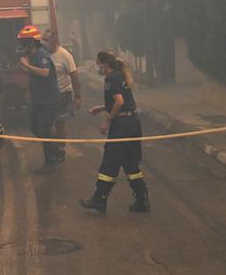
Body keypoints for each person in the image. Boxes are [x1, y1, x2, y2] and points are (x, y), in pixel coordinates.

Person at [80, 51, 150, 213]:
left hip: (122, 126)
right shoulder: (120, 76)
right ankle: (142, 200)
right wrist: (103, 107)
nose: (97, 67)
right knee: (131, 164)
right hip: (133, 123)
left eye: (98, 64)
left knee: (110, 161)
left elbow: (119, 101)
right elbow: (124, 101)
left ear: (105, 64)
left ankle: (99, 199)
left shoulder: (111, 78)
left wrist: (107, 120)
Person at [16, 25, 61, 174]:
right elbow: (33, 75)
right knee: (35, 127)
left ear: (32, 42)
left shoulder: (41, 54)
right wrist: (24, 66)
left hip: (48, 100)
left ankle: (51, 161)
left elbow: (44, 72)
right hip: (38, 100)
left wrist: (27, 65)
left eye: (24, 43)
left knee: (45, 129)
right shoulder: (33, 56)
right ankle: (54, 151)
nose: (22, 46)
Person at [43, 29, 82, 164]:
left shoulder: (65, 55)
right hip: (47, 96)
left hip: (63, 94)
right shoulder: (42, 55)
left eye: (47, 40)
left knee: (60, 124)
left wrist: (77, 96)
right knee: (48, 124)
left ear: (54, 40)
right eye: (43, 40)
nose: (44, 43)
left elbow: (74, 77)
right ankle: (52, 148)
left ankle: (60, 148)